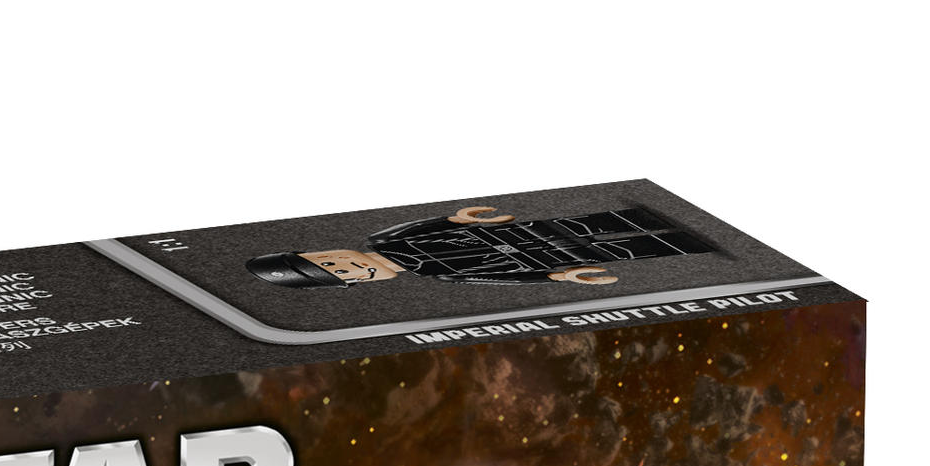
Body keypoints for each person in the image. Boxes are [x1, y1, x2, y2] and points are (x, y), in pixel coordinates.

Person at [248, 204, 716, 289]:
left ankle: (646, 219)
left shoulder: (387, 237)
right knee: (623, 251)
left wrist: (457, 219)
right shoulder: (437, 274)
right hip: (552, 258)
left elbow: (437, 221)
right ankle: (677, 242)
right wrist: (555, 275)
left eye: (331, 261)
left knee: (596, 223)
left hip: (530, 233)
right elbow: (491, 278)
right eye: (342, 275)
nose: (350, 267)